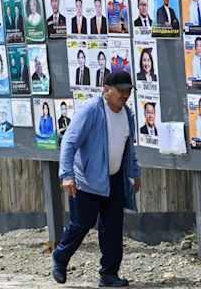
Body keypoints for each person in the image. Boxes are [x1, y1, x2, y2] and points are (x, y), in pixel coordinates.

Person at [52, 71, 141, 286]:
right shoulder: (91, 111)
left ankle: (109, 274)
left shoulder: (127, 113)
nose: (125, 95)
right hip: (87, 180)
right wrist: (67, 175)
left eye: (128, 91)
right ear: (107, 90)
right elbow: (69, 143)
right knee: (81, 224)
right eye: (121, 90)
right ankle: (60, 257)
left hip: (115, 178)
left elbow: (129, 147)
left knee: (112, 227)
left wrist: (134, 173)